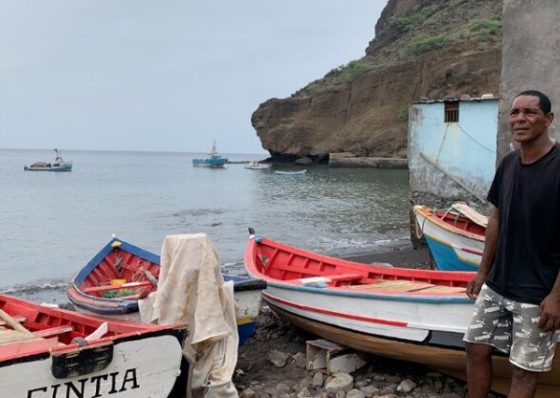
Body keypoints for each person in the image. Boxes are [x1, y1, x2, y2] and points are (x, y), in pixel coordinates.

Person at [464, 90, 560, 398]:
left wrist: (557, 296)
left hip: (539, 291)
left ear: (548, 119)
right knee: (475, 347)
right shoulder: (508, 163)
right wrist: (482, 272)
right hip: (498, 283)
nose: (520, 119)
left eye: (530, 112)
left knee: (523, 369)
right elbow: (496, 219)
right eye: (514, 112)